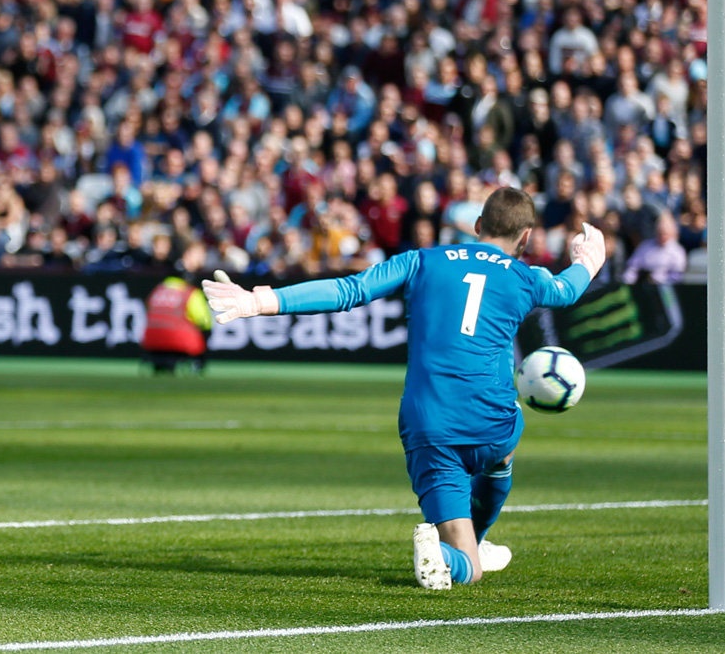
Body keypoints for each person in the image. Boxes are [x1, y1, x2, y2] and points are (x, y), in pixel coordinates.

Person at [202, 188, 606, 589]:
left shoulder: (421, 260)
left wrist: (259, 300)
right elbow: (567, 290)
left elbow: (349, 291)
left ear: (478, 225)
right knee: (505, 446)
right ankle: (466, 543)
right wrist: (588, 260)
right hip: (493, 425)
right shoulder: (527, 277)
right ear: (527, 238)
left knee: (465, 561)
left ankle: (459, 551)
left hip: (429, 426)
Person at [141, 273, 212, 374]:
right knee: (204, 333)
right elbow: (204, 320)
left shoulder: (158, 290)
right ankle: (199, 367)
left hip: (151, 338)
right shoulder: (190, 292)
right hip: (179, 339)